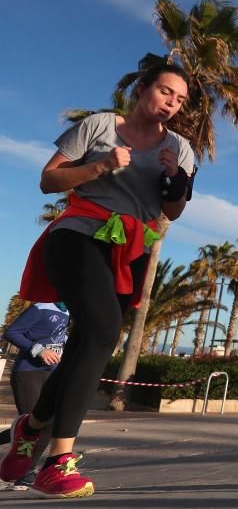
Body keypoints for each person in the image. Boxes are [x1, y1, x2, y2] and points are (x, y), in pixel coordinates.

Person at [2, 64, 195, 499]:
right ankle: (57, 461)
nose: (172, 103)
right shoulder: (100, 126)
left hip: (132, 251)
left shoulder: (181, 148)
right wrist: (101, 166)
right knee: (104, 330)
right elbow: (48, 180)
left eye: (180, 99)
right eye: (166, 91)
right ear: (143, 88)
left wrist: (176, 180)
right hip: (79, 233)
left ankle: (30, 429)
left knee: (88, 344)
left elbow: (174, 211)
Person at [0, 302, 70, 491]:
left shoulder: (70, 313)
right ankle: (22, 472)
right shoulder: (41, 308)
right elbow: (12, 332)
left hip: (51, 373)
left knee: (47, 423)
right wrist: (39, 349)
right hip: (28, 372)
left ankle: (26, 471)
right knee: (32, 423)